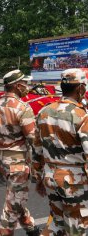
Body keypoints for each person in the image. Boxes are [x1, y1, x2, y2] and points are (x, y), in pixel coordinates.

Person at [0, 70, 40, 236]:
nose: (27, 87)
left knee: (15, 197)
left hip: (1, 161)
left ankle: (31, 227)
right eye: (25, 84)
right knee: (13, 204)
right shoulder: (23, 108)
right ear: (18, 86)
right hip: (18, 163)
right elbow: (33, 139)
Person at [33, 68, 88, 235]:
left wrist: (38, 177)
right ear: (80, 88)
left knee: (57, 223)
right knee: (77, 226)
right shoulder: (81, 116)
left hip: (50, 177)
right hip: (73, 181)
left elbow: (37, 148)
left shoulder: (44, 112)